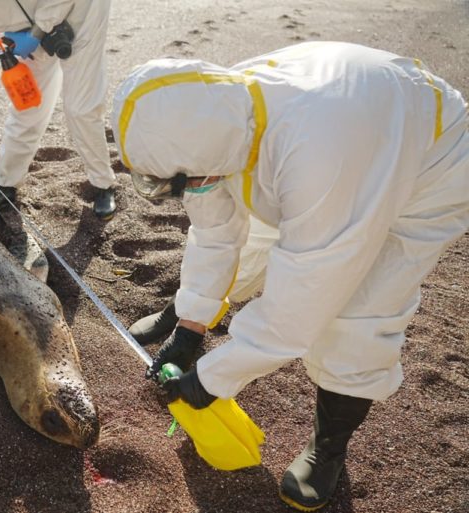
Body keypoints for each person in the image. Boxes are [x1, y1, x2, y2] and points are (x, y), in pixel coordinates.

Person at [111, 42, 469, 511]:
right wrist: (191, 325)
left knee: (359, 311)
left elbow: (302, 300)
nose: (183, 190)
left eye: (181, 181)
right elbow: (216, 228)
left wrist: (211, 379)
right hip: (335, 131)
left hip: (428, 163)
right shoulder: (207, 114)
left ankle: (329, 447)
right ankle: (184, 312)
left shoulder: (319, 153)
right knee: (254, 242)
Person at [0, 0, 117, 219]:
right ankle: (6, 185)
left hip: (80, 9)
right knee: (29, 104)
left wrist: (38, 31)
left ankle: (103, 184)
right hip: (29, 26)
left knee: (80, 107)